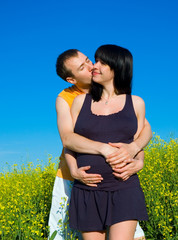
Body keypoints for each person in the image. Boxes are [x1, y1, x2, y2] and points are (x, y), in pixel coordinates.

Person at [48, 49, 152, 239]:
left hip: (121, 185)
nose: (91, 67)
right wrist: (101, 152)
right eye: (83, 66)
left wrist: (138, 156)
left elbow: (142, 130)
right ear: (72, 79)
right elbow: (68, 139)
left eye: (89, 60)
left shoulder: (122, 95)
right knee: (59, 232)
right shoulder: (69, 99)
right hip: (76, 178)